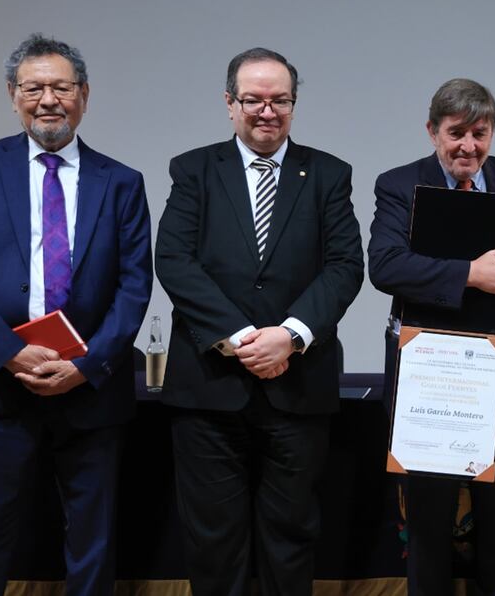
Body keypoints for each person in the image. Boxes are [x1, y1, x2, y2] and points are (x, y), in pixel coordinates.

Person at [0, 33, 153, 594]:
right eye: (34, 88)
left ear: (84, 95)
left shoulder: (122, 181)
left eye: (61, 87)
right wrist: (10, 352)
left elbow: (134, 286)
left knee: (93, 540)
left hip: (89, 387)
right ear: (13, 95)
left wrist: (87, 365)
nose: (48, 100)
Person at [155, 47, 364, 596]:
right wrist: (244, 338)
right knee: (213, 543)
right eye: (253, 100)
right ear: (230, 104)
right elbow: (174, 259)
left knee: (290, 537)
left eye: (280, 100)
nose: (266, 111)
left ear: (294, 104)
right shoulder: (194, 169)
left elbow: (345, 266)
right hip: (209, 387)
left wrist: (290, 337)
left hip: (298, 386)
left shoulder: (328, 174)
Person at [368, 78, 495, 595]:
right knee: (428, 523)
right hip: (432, 373)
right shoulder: (400, 184)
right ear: (432, 131)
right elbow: (384, 266)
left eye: (480, 132)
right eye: (456, 133)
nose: (468, 146)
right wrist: (470, 275)